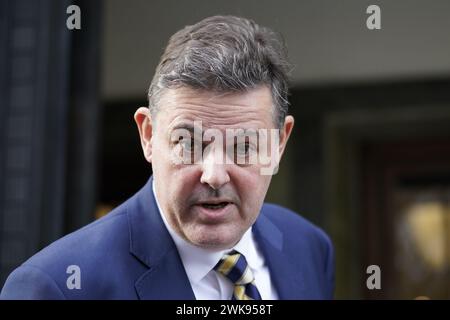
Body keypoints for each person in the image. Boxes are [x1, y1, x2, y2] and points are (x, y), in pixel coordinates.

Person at [0, 15, 334, 300]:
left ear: (279, 144)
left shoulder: (308, 247)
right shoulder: (55, 287)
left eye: (244, 146)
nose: (214, 175)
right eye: (189, 143)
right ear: (147, 135)